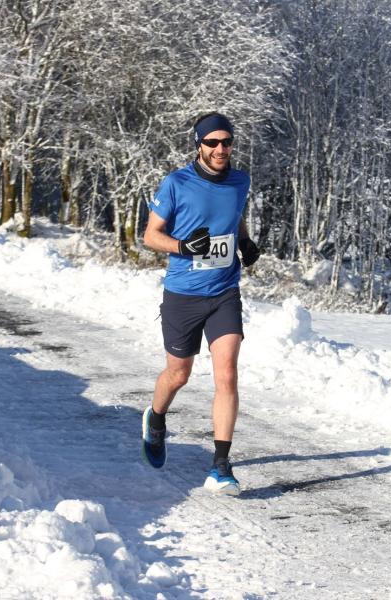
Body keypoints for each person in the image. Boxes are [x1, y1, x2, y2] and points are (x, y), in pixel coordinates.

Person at [140, 112, 261, 495]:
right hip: (183, 295)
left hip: (224, 292)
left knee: (226, 374)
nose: (220, 149)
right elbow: (150, 236)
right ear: (199, 145)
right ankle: (156, 419)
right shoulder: (177, 183)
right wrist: (181, 246)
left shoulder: (240, 181)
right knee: (178, 375)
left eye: (226, 141)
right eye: (212, 142)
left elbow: (235, 217)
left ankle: (221, 465)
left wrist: (243, 241)